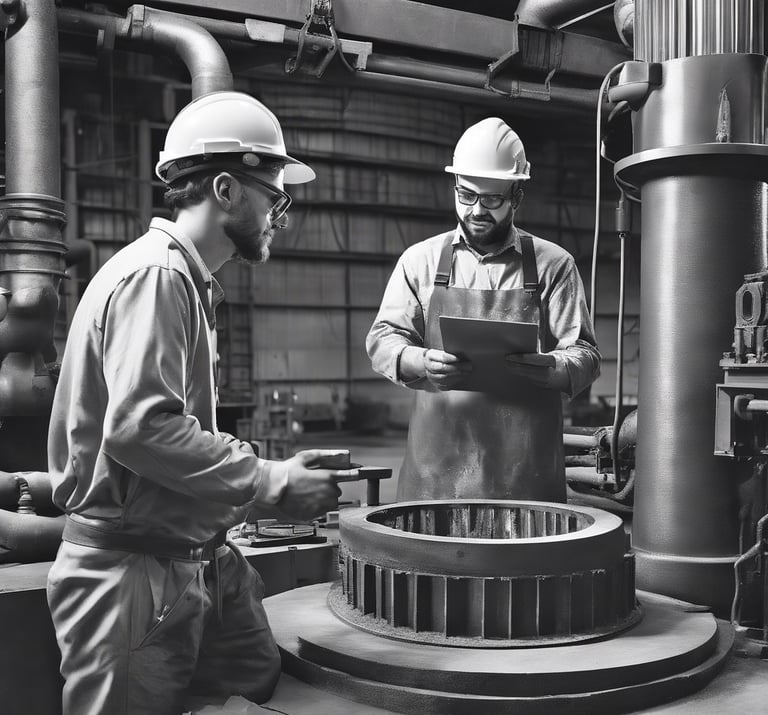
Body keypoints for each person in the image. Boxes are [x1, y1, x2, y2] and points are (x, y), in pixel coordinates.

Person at [46, 91, 358, 715]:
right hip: (131, 574)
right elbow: (140, 430)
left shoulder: (185, 282)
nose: (279, 215)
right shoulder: (156, 277)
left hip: (192, 555)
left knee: (251, 683)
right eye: (274, 196)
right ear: (226, 189)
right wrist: (268, 478)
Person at [366, 117, 600, 503]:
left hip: (527, 474)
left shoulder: (553, 265)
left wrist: (552, 368)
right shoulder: (419, 261)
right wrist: (421, 361)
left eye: (492, 200)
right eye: (466, 196)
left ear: (516, 197)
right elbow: (382, 340)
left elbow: (586, 355)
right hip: (435, 474)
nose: (477, 210)